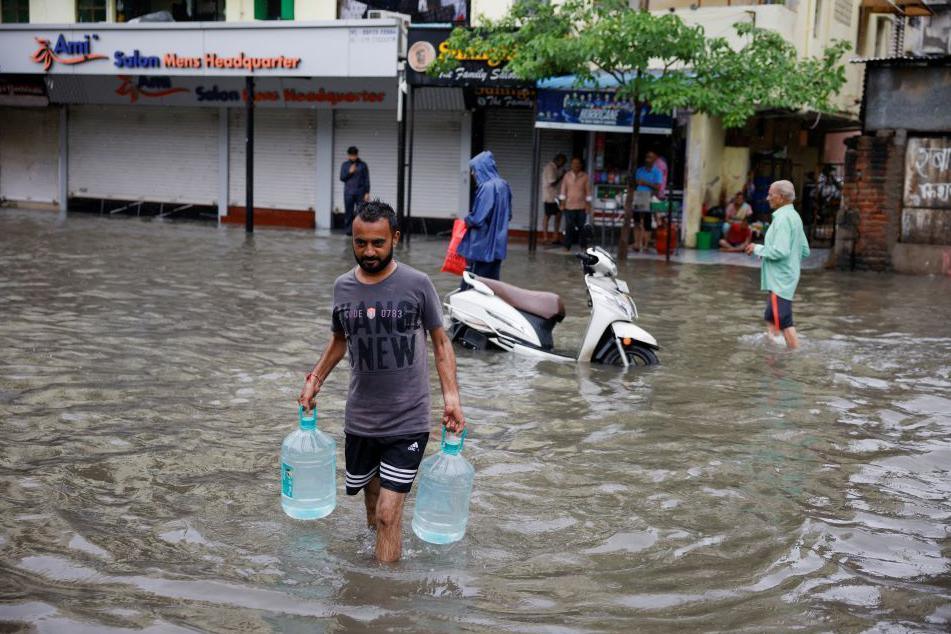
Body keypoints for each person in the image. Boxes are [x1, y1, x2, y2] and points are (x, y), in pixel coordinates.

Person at [298, 200, 465, 563]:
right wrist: (315, 379)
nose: (370, 251)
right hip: (361, 420)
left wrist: (451, 397)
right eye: (361, 243)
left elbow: (440, 341)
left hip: (408, 421)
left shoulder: (417, 285)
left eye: (378, 242)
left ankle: (386, 606)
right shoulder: (342, 288)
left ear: (395, 239)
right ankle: (370, 592)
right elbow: (339, 340)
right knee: (373, 511)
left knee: (389, 514)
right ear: (353, 241)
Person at [745, 180, 810, 349]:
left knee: (783, 319)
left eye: (770, 194)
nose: (767, 198)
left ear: (781, 198)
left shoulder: (782, 219)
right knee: (770, 316)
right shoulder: (794, 217)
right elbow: (804, 250)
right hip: (787, 276)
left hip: (779, 279)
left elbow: (780, 251)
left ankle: (794, 358)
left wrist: (758, 249)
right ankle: (773, 353)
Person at [458, 151, 512, 282]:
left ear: (482, 168)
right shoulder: (504, 185)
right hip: (498, 247)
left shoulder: (486, 187)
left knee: (472, 284)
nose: (472, 173)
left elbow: (477, 219)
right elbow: (508, 215)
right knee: (491, 285)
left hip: (481, 247)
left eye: (474, 169)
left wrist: (466, 220)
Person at [559, 157, 592, 251]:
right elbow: (563, 190)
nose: (576, 165)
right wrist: (562, 203)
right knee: (569, 226)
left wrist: (588, 205)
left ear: (581, 165)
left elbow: (588, 192)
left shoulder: (585, 176)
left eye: (578, 163)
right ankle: (567, 246)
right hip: (569, 205)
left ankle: (583, 246)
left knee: (582, 226)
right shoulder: (567, 176)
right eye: (573, 163)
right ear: (571, 165)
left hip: (581, 205)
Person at [633, 150, 663, 252]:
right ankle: (637, 244)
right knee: (637, 221)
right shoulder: (639, 171)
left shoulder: (657, 172)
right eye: (647, 157)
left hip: (649, 197)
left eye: (650, 157)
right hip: (638, 196)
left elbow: (658, 187)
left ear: (654, 159)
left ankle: (645, 245)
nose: (647, 159)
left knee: (647, 222)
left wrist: (645, 183)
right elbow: (635, 184)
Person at [339, 146, 370, 235]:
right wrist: (350, 172)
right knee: (348, 212)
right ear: (348, 155)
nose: (353, 157)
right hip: (348, 193)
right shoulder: (345, 165)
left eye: (355, 155)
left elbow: (366, 179)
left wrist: (367, 192)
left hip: (360, 192)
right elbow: (342, 178)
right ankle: (348, 231)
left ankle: (359, 231)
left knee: (360, 212)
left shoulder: (362, 165)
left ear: (357, 155)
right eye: (351, 155)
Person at [541, 154, 567, 244]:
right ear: (558, 161)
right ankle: (545, 237)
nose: (562, 165)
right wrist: (562, 175)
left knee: (558, 215)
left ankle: (555, 236)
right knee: (547, 216)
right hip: (549, 196)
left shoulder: (556, 168)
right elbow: (552, 183)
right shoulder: (550, 168)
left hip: (556, 196)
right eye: (562, 163)